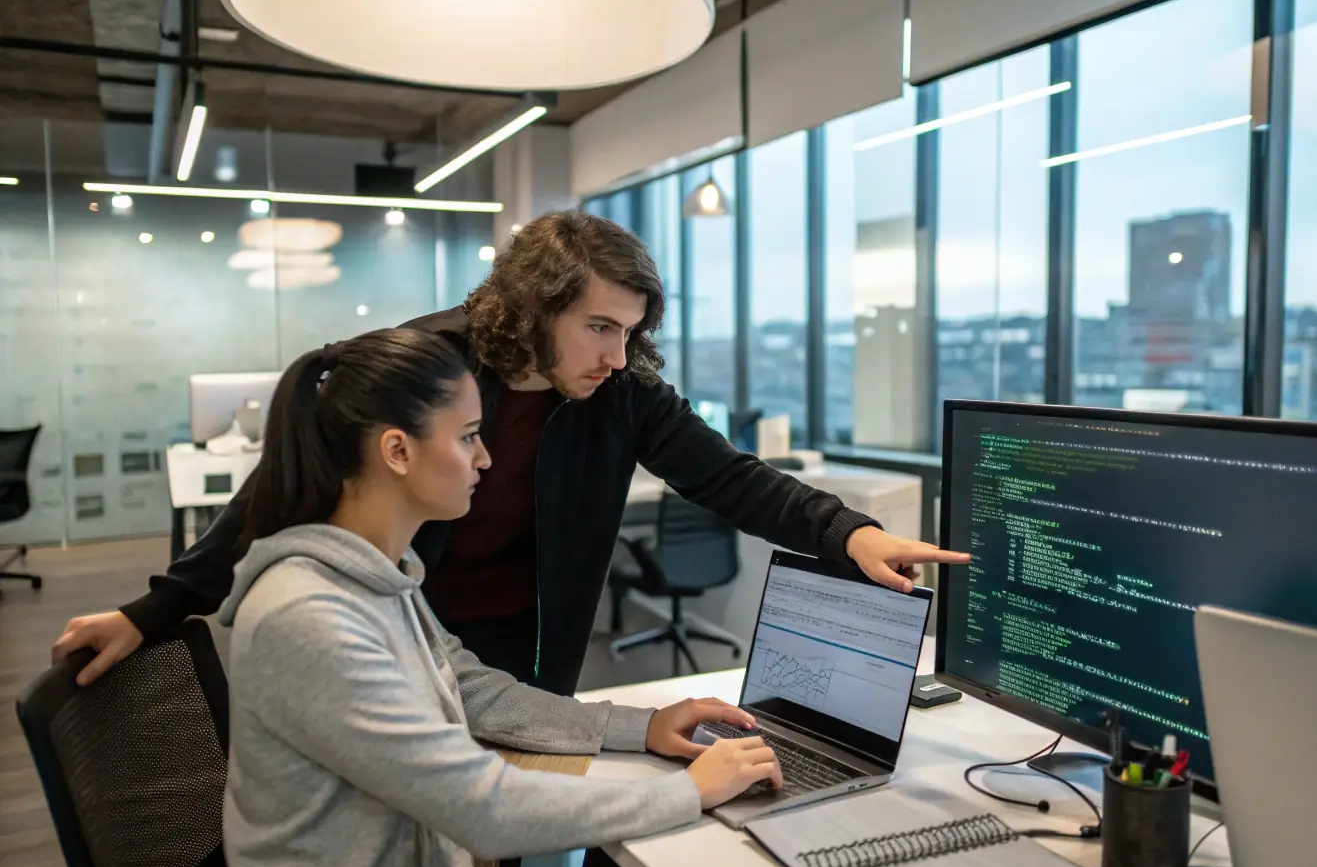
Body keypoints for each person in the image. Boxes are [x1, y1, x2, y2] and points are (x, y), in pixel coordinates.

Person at [54, 209, 968, 696]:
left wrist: (849, 534)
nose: (615, 355)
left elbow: (727, 476)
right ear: (536, 308)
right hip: (408, 629)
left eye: (630, 331)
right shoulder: (433, 366)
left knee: (519, 836)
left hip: (536, 642)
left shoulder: (619, 392)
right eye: (598, 328)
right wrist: (154, 608)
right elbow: (281, 491)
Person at [222, 327, 780, 867]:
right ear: (398, 452)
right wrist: (687, 792)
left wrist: (639, 727)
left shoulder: (379, 578)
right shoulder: (312, 617)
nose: (486, 458)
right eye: (467, 438)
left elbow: (473, 689)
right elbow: (481, 809)